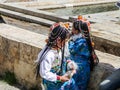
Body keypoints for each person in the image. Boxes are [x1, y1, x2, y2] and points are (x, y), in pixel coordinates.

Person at [35, 23, 78, 90]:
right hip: (52, 84)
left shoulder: (59, 49)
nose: (65, 44)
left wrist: (70, 65)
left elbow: (63, 60)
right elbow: (44, 73)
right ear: (58, 40)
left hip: (60, 81)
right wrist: (60, 78)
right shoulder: (49, 55)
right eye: (65, 41)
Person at [68, 17, 96, 90]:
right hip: (81, 66)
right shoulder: (84, 38)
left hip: (80, 68)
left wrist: (69, 41)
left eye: (73, 28)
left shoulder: (81, 42)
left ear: (77, 31)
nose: (71, 29)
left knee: (76, 86)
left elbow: (72, 50)